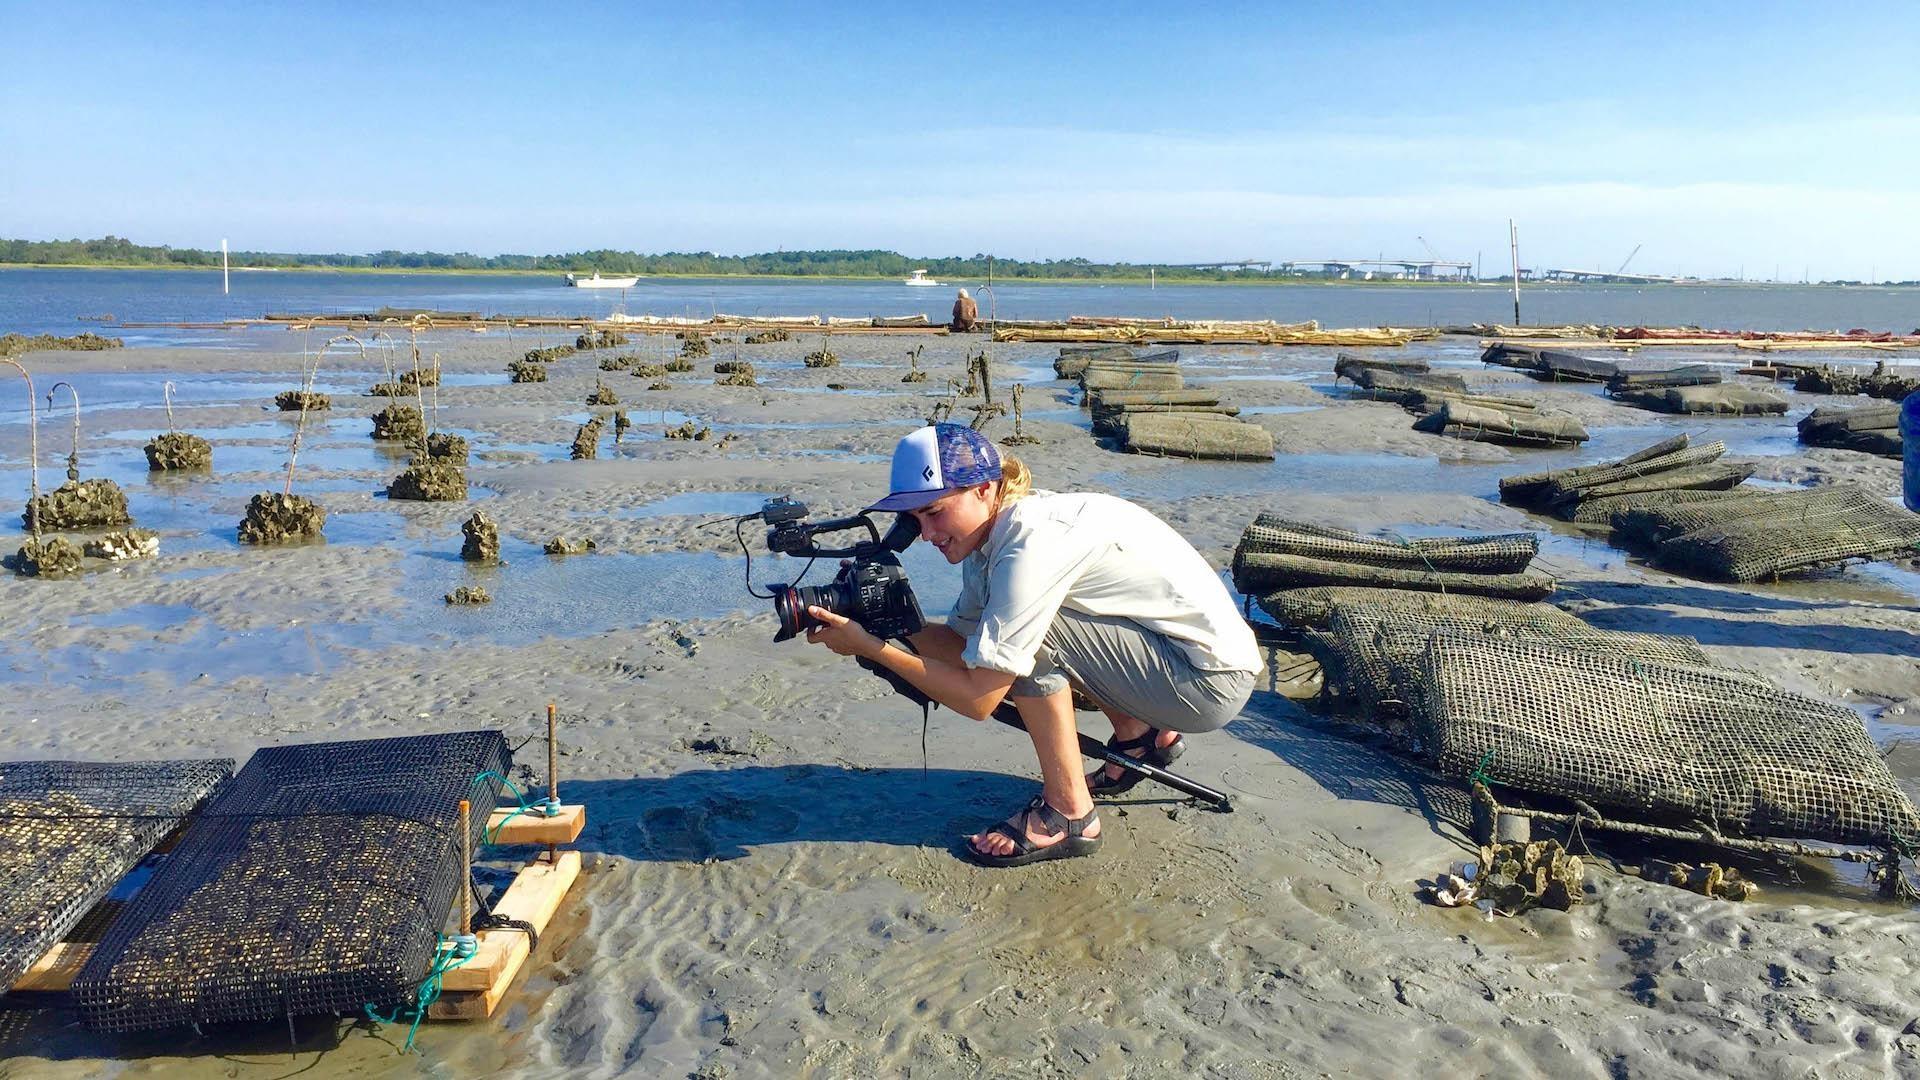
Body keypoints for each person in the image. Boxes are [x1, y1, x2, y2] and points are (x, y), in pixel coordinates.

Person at [801, 423, 1259, 867]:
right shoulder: (998, 532)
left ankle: (1069, 813)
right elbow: (963, 644)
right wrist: (888, 621)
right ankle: (1139, 740)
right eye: (914, 517)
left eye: (936, 511)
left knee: (1031, 634)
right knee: (1015, 630)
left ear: (984, 488)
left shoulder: (1029, 545)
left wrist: (870, 648)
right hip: (1174, 658)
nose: (926, 534)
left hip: (1206, 684)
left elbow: (979, 696)